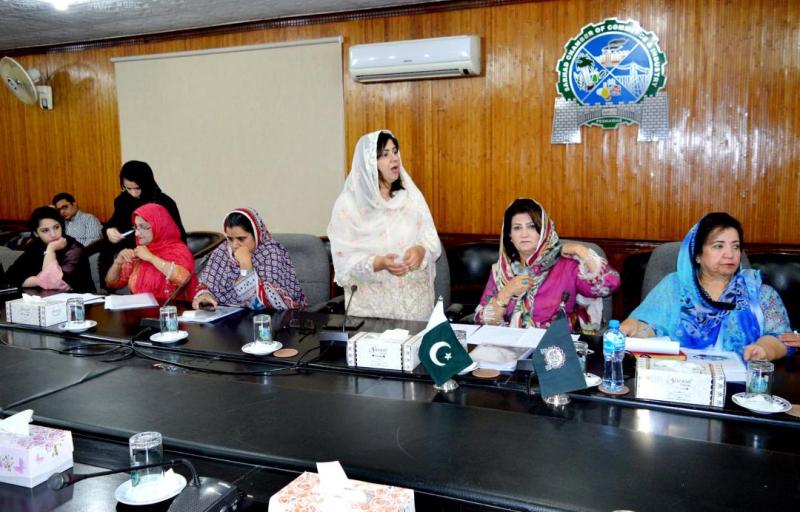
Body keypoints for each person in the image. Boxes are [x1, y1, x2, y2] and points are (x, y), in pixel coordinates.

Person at [621, 212, 791, 361]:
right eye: (718, 246)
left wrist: (764, 350)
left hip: (742, 382)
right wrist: (633, 328)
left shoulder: (760, 293)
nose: (730, 254)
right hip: (680, 378)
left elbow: (781, 338)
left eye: (736, 246)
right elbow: (648, 325)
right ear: (697, 255)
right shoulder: (673, 288)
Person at [327, 130, 441, 322]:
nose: (394, 158)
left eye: (395, 152)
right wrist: (378, 263)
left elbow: (431, 240)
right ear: (369, 162)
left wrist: (421, 250)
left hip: (414, 309)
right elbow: (344, 261)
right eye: (385, 154)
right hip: (371, 312)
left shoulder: (411, 197)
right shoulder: (348, 205)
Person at [475, 198, 620, 330]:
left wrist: (579, 249)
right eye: (517, 228)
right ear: (510, 236)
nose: (524, 234)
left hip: (555, 345)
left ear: (544, 231)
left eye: (531, 226)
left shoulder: (568, 265)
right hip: (508, 345)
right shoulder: (501, 271)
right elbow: (482, 322)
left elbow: (608, 285)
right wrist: (506, 293)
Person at [191, 208, 306, 311]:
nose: (234, 245)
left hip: (266, 321)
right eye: (230, 239)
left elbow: (271, 307)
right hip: (227, 320)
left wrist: (245, 265)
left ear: (256, 235)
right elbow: (204, 286)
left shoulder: (271, 253)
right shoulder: (222, 251)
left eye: (241, 239)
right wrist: (205, 296)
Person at [99, 160, 186, 278]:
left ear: (147, 184)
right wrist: (109, 231)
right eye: (128, 188)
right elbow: (113, 223)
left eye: (137, 188)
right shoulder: (122, 201)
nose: (133, 193)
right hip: (128, 252)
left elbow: (178, 236)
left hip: (157, 255)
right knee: (106, 251)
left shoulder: (164, 203)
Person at [105, 203, 196, 301]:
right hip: (138, 308)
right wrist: (117, 263)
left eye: (143, 227)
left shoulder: (178, 250)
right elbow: (111, 283)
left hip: (171, 309)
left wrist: (150, 257)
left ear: (159, 225)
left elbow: (184, 279)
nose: (137, 233)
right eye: (136, 227)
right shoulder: (140, 251)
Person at [6, 206, 95, 292]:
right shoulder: (37, 246)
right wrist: (38, 281)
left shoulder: (75, 249)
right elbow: (9, 277)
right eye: (45, 230)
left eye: (56, 227)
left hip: (80, 300)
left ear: (62, 226)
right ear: (36, 233)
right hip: (44, 299)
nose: (53, 234)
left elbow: (53, 284)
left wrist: (51, 250)